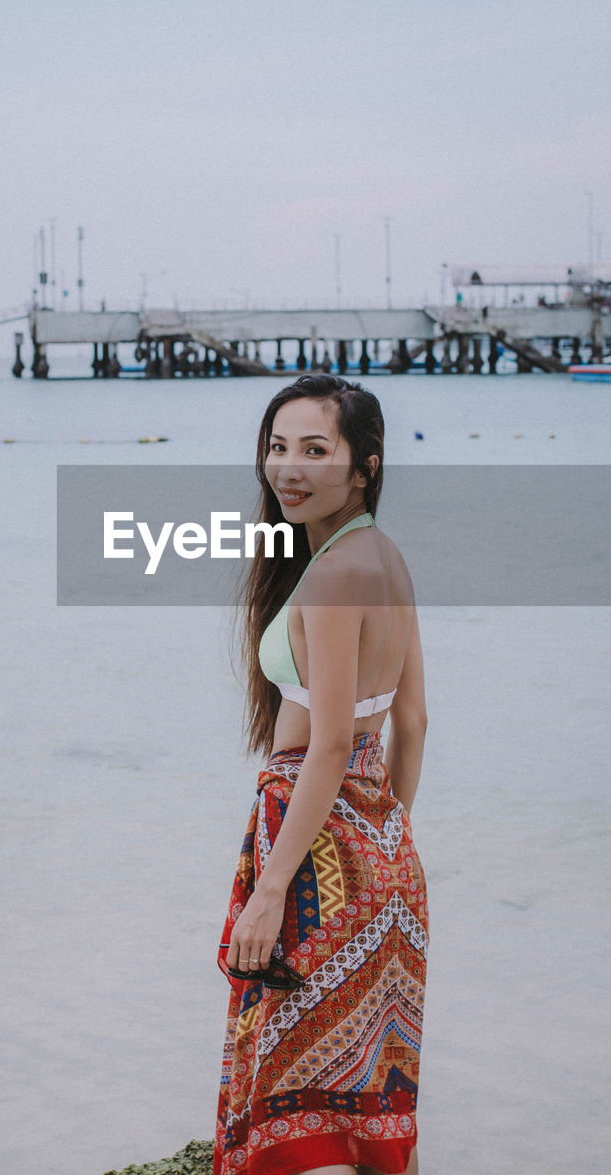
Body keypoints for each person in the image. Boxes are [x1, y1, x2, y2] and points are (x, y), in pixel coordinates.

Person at [213, 373, 428, 1175]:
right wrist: (382, 848)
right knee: (360, 1097)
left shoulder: (335, 574)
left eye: (315, 450)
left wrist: (273, 887)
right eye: (276, 448)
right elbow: (409, 723)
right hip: (376, 848)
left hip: (312, 848)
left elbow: (330, 744)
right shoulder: (381, 557)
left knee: (292, 1098)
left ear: (363, 465)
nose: (288, 469)